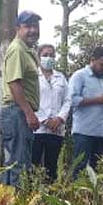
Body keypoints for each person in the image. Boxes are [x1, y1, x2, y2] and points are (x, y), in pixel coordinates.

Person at [0, 10, 42, 187]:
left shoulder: (27, 50)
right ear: (18, 28)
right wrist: (28, 113)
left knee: (16, 163)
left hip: (19, 113)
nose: (33, 30)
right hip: (16, 112)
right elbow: (14, 83)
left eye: (35, 26)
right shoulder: (17, 49)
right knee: (20, 166)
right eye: (28, 26)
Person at [68, 47, 103, 177]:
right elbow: (72, 100)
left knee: (98, 169)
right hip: (84, 132)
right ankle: (77, 196)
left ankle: (94, 197)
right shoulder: (79, 76)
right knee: (80, 168)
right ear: (92, 60)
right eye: (102, 64)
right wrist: (98, 100)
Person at [32, 44, 71, 182]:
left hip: (56, 130)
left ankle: (51, 196)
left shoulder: (60, 78)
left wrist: (59, 118)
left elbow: (67, 100)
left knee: (52, 167)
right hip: (37, 129)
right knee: (34, 165)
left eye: (52, 55)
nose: (49, 58)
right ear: (39, 57)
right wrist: (45, 120)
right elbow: (30, 99)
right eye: (45, 55)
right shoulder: (33, 76)